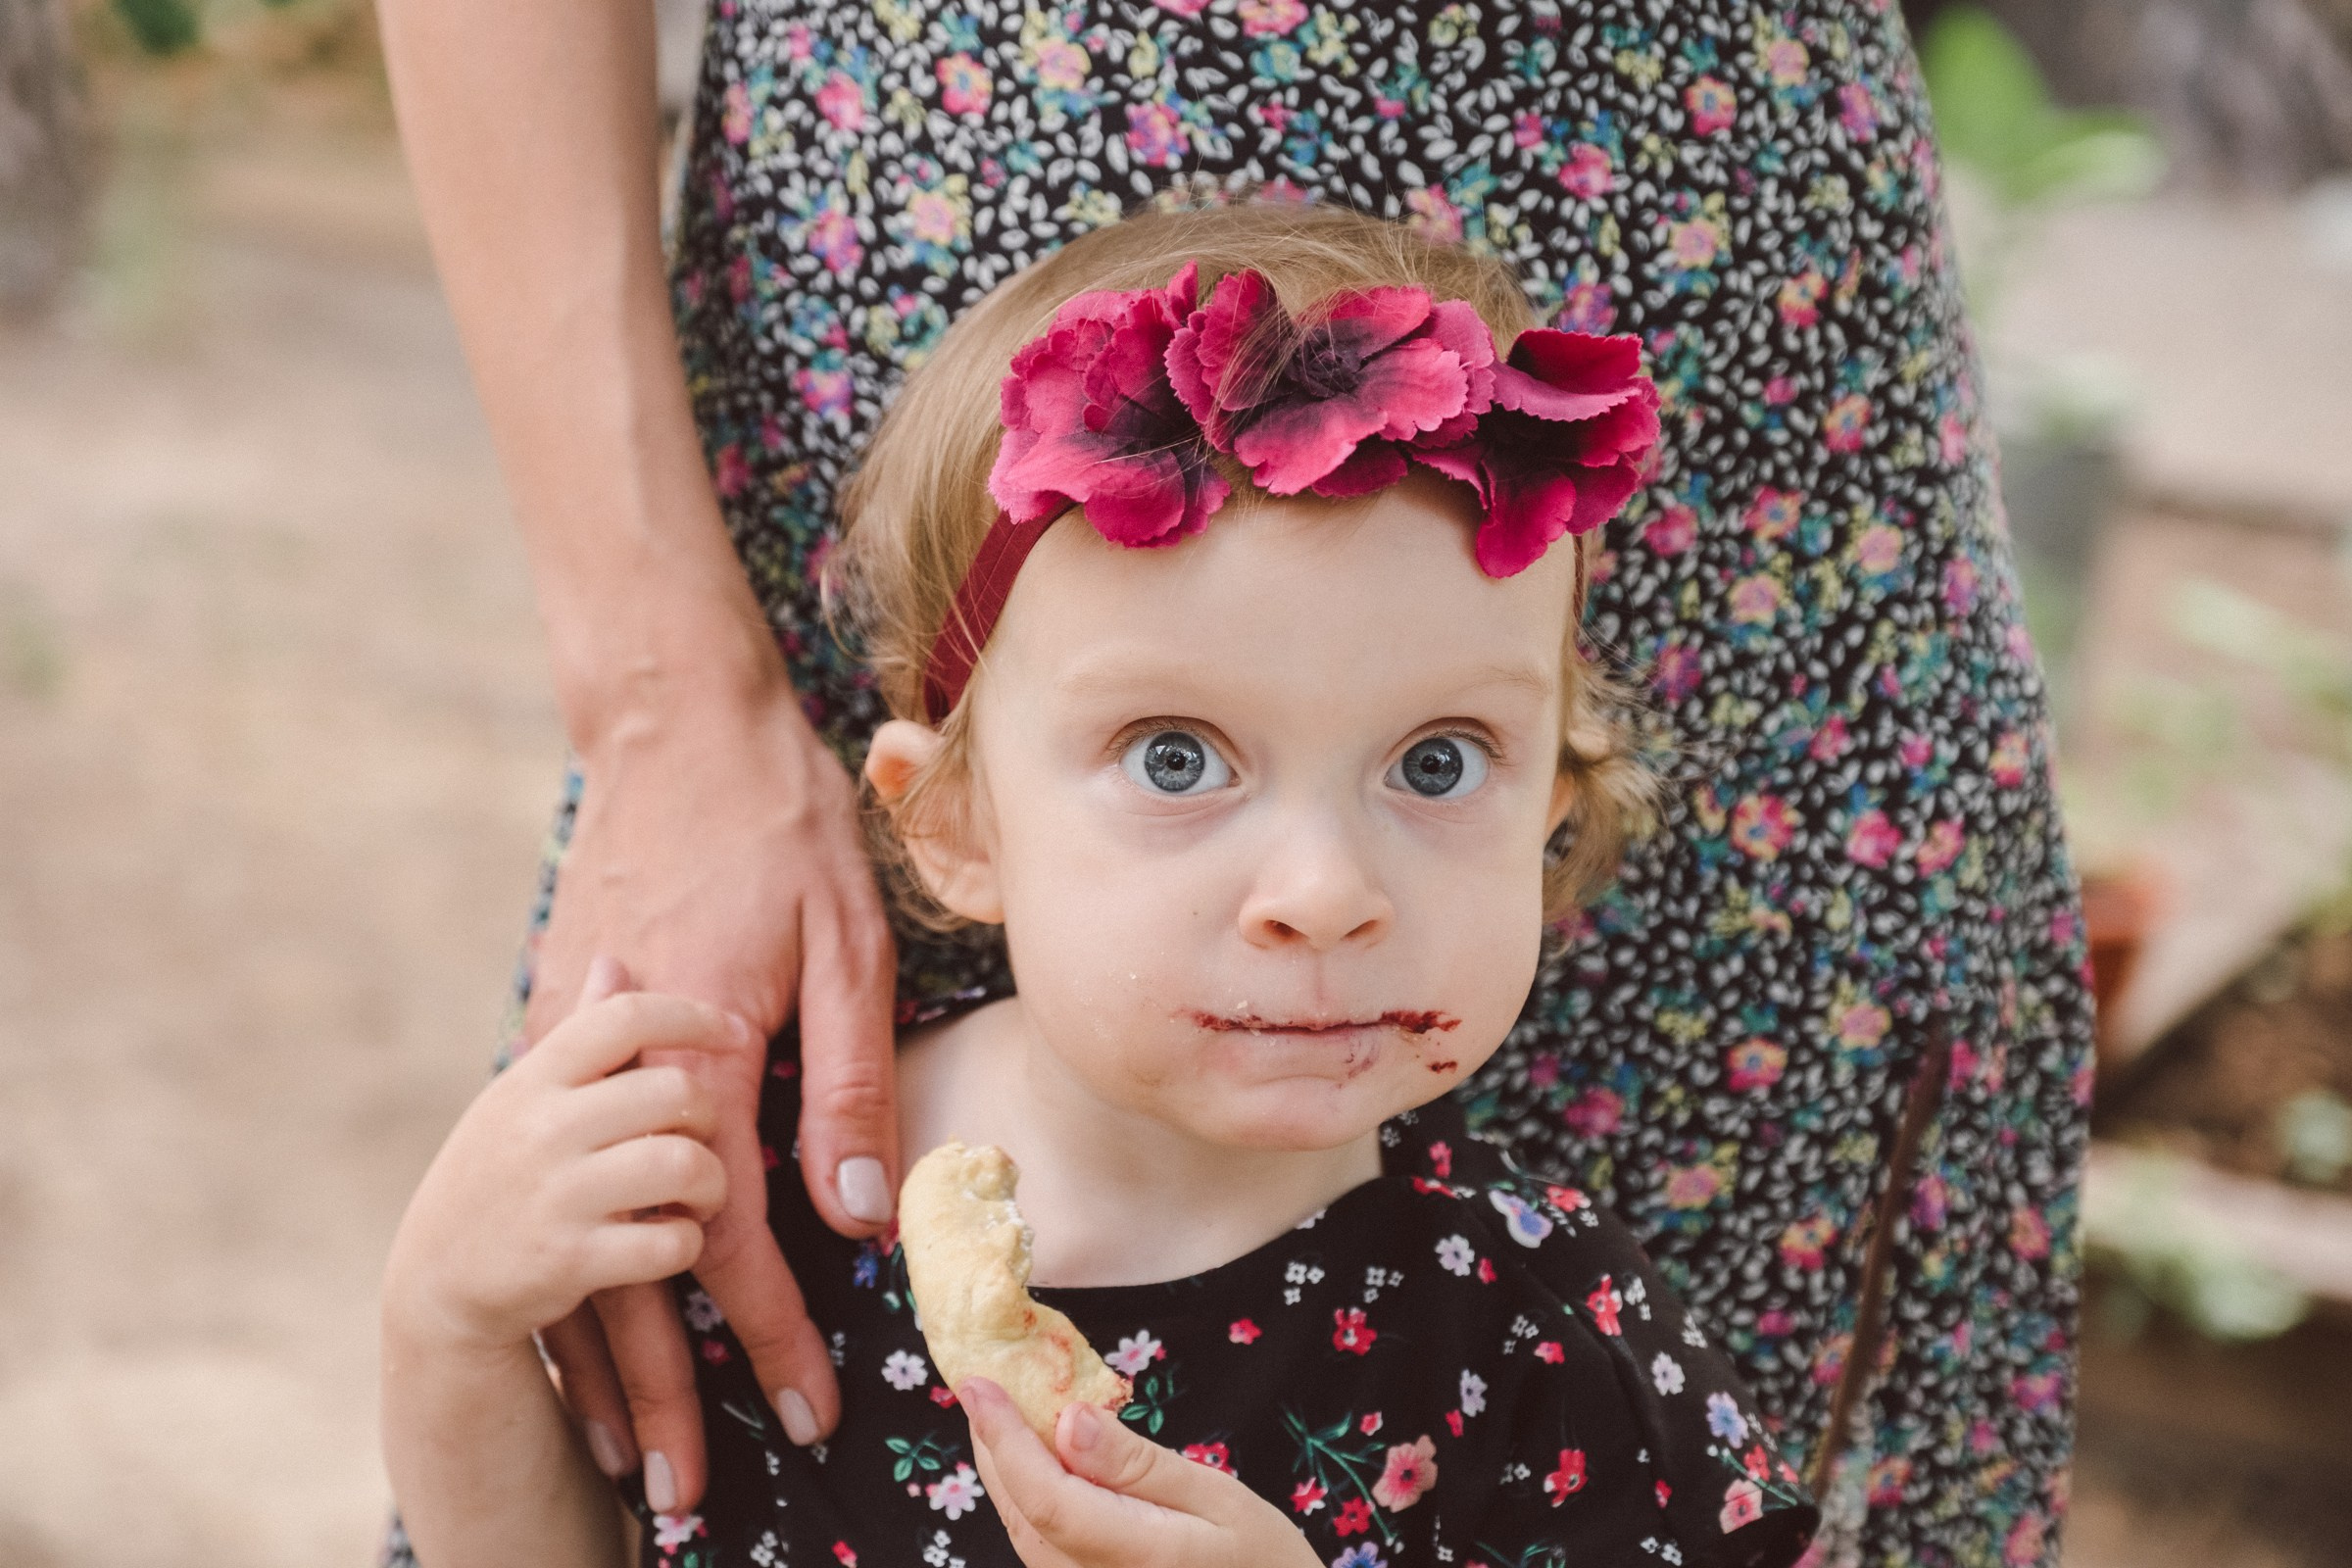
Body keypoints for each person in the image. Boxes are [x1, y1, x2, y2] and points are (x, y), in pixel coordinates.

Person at [373, 1, 2093, 1562]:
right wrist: (445, 1331)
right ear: (949, 818)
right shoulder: (752, 1205)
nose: (1327, 887)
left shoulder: (1542, 1353)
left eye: (1439, 760)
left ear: (1554, 816)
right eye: (1179, 758)